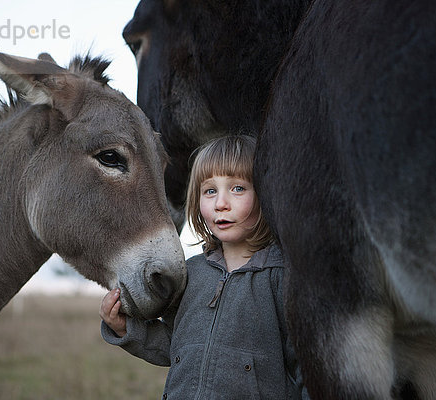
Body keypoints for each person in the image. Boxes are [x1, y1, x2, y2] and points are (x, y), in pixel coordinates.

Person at [100, 135, 309, 399]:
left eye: (238, 189)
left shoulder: (282, 278)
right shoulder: (192, 274)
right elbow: (177, 347)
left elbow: (307, 368)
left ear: (265, 194)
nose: (221, 203)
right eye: (210, 191)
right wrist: (126, 329)